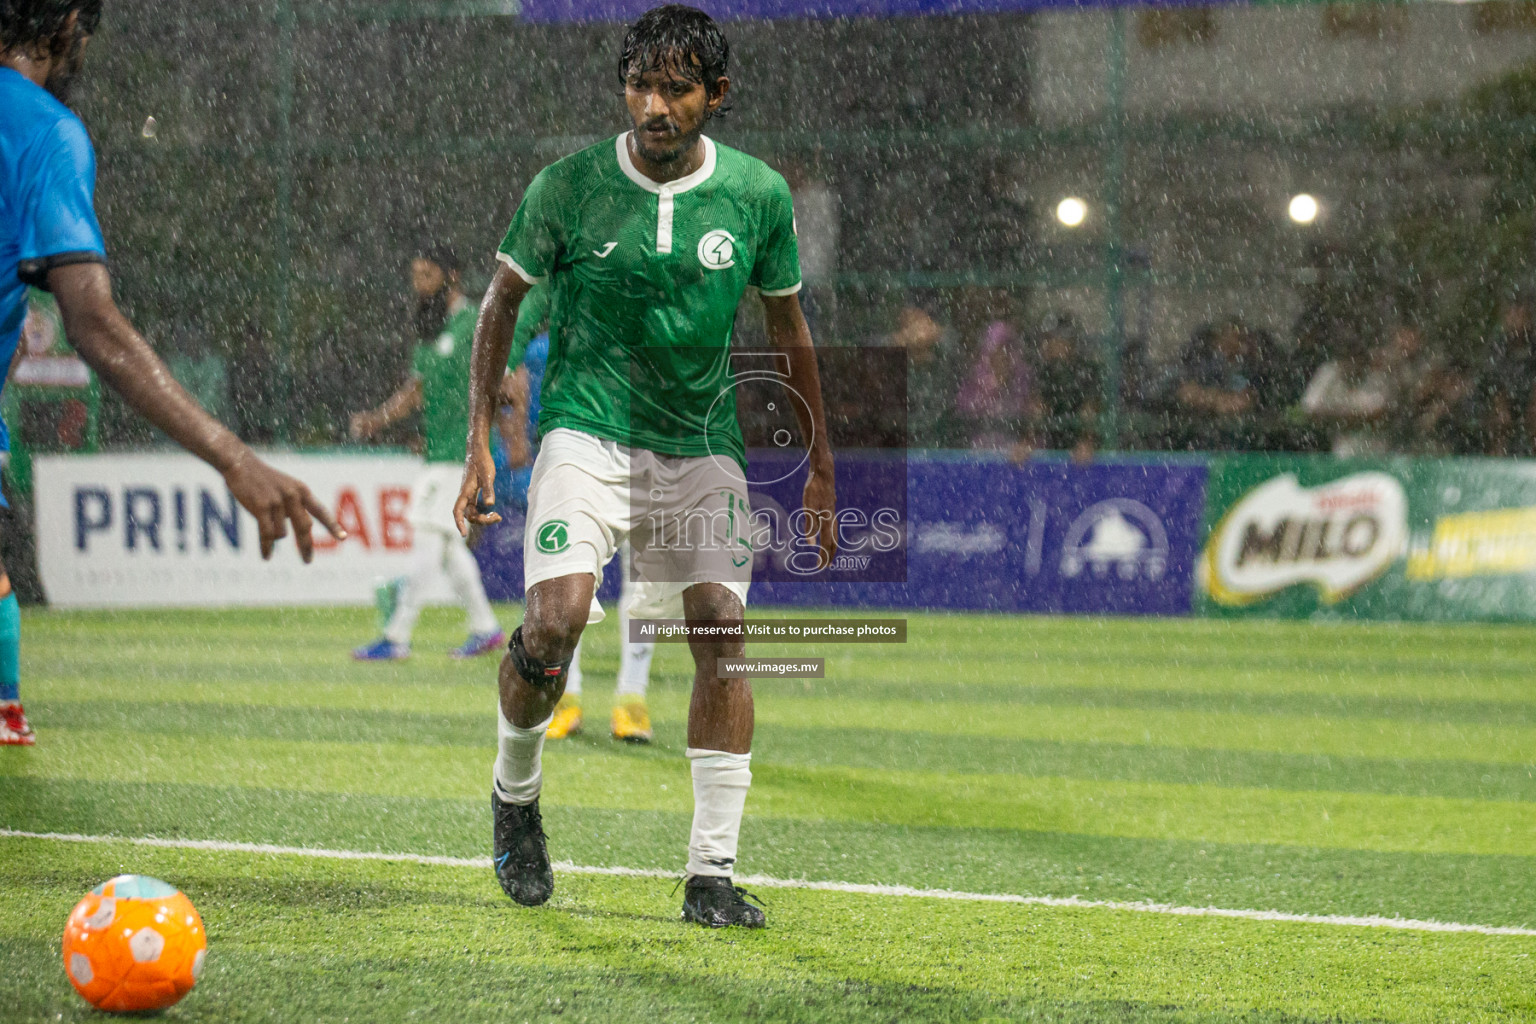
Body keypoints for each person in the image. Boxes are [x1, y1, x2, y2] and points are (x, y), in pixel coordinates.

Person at [453, 5, 836, 928]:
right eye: (640, 85)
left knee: (721, 635)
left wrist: (821, 468)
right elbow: (502, 304)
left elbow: (790, 335)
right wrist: (478, 440)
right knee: (555, 622)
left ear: (717, 95)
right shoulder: (569, 186)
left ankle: (711, 873)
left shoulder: (756, 196)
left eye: (676, 88)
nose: (654, 105)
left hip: (703, 444)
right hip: (585, 432)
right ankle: (516, 796)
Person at [0, 0, 343, 745]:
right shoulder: (45, 130)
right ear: (64, 25)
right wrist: (233, 455)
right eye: (85, 34)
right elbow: (95, 326)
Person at [503, 282, 656, 744]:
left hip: (652, 445)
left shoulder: (666, 264)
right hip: (581, 447)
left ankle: (633, 699)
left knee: (647, 583)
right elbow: (516, 317)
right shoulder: (565, 271)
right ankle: (567, 696)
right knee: (574, 581)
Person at [349, 248, 505, 661]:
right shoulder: (430, 329)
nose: (420, 283)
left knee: (427, 542)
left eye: (427, 274)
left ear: (451, 276)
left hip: (462, 454)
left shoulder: (476, 321)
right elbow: (416, 392)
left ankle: (396, 636)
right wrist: (378, 419)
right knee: (448, 550)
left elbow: (505, 380)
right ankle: (486, 629)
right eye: (415, 274)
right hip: (439, 452)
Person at [1011, 313, 1101, 463]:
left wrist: (1087, 442)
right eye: (1045, 339)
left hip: (1084, 454)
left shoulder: (1088, 371)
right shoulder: (1043, 372)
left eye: (1052, 339)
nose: (1046, 345)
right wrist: (1026, 442)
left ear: (1070, 344)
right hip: (1052, 449)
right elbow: (1037, 407)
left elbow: (1090, 410)